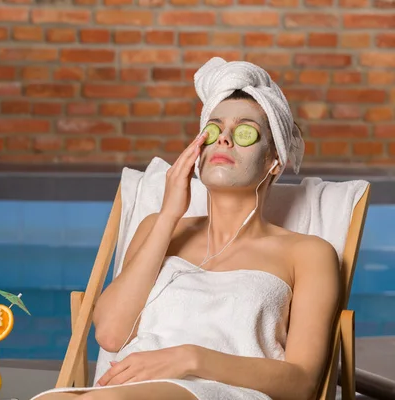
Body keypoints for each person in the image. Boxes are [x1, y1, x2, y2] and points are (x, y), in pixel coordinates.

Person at [31, 58, 340, 400]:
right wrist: (168, 216)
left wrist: (189, 358)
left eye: (243, 131)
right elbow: (110, 335)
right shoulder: (159, 228)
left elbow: (302, 382)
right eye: (213, 129)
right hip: (129, 391)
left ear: (274, 161)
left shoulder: (308, 253)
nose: (223, 139)